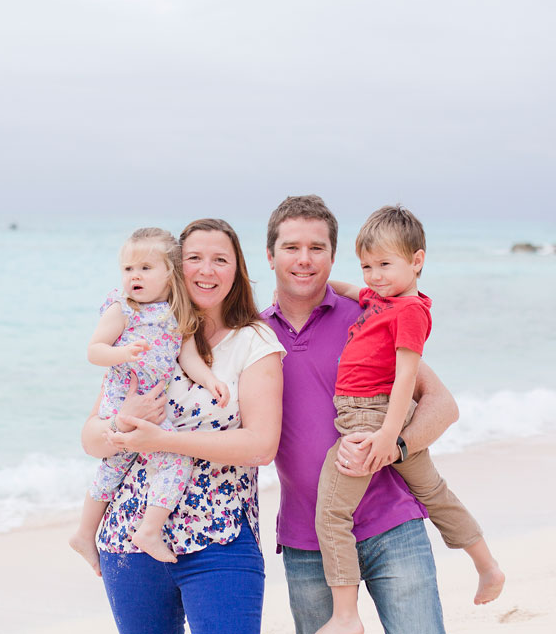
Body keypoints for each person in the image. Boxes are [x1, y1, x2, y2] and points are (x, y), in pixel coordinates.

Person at [262, 195, 457, 634]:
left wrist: (396, 445)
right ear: (270, 254)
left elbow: (442, 405)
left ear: (334, 257)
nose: (305, 260)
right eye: (292, 247)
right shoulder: (255, 336)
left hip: (392, 525)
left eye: (318, 248)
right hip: (308, 539)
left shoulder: (371, 315)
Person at [80, 218, 285, 634]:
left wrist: (164, 439)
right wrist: (120, 423)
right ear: (176, 266)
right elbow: (91, 440)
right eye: (195, 258)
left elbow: (261, 447)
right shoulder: (136, 328)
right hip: (130, 532)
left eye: (220, 260)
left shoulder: (254, 342)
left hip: (218, 535)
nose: (206, 270)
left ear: (237, 271)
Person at [314, 205, 505, 634]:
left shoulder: (410, 312)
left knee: (330, 512)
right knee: (434, 492)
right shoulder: (382, 299)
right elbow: (353, 290)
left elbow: (404, 378)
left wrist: (387, 436)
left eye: (385, 264)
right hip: (373, 415)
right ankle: (487, 565)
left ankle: (345, 617)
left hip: (370, 418)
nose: (374, 275)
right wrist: (318, 287)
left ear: (417, 261)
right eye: (367, 266)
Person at [69, 227, 231, 569]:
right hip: (122, 403)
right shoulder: (122, 310)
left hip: (154, 411)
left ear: (169, 275)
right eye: (128, 269)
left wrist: (210, 379)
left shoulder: (175, 315)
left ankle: (118, 532)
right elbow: (94, 351)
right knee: (134, 463)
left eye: (144, 268)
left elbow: (188, 359)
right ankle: (111, 531)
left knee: (157, 459)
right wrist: (123, 353)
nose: (134, 277)